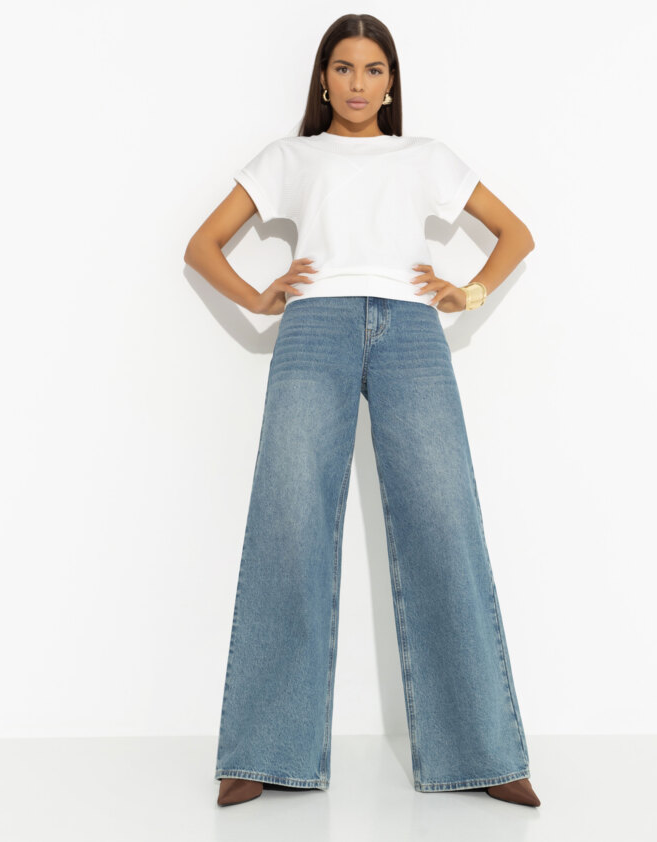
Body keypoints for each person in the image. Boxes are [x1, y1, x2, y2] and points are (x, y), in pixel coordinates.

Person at [184, 14, 540, 809]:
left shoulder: (425, 156)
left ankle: (483, 751)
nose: (357, 82)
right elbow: (202, 245)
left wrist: (469, 291)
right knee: (290, 517)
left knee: (443, 516)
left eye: (373, 69)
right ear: (323, 78)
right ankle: (263, 750)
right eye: (343, 68)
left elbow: (515, 233)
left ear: (390, 82)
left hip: (411, 329)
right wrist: (258, 296)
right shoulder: (290, 157)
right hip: (313, 326)